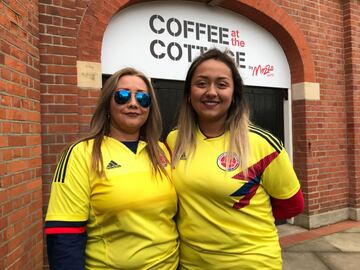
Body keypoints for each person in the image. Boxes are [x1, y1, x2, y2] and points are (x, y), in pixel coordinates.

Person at [166, 48, 304, 270]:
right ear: (189, 93)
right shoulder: (174, 140)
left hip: (250, 262)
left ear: (234, 95)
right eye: (202, 83)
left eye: (221, 84)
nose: (211, 92)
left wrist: (237, 225)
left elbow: (292, 205)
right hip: (191, 263)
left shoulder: (262, 144)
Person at [45, 67, 179, 269]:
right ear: (107, 103)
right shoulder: (81, 153)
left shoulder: (163, 151)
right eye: (123, 96)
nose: (133, 103)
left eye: (143, 98)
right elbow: (63, 234)